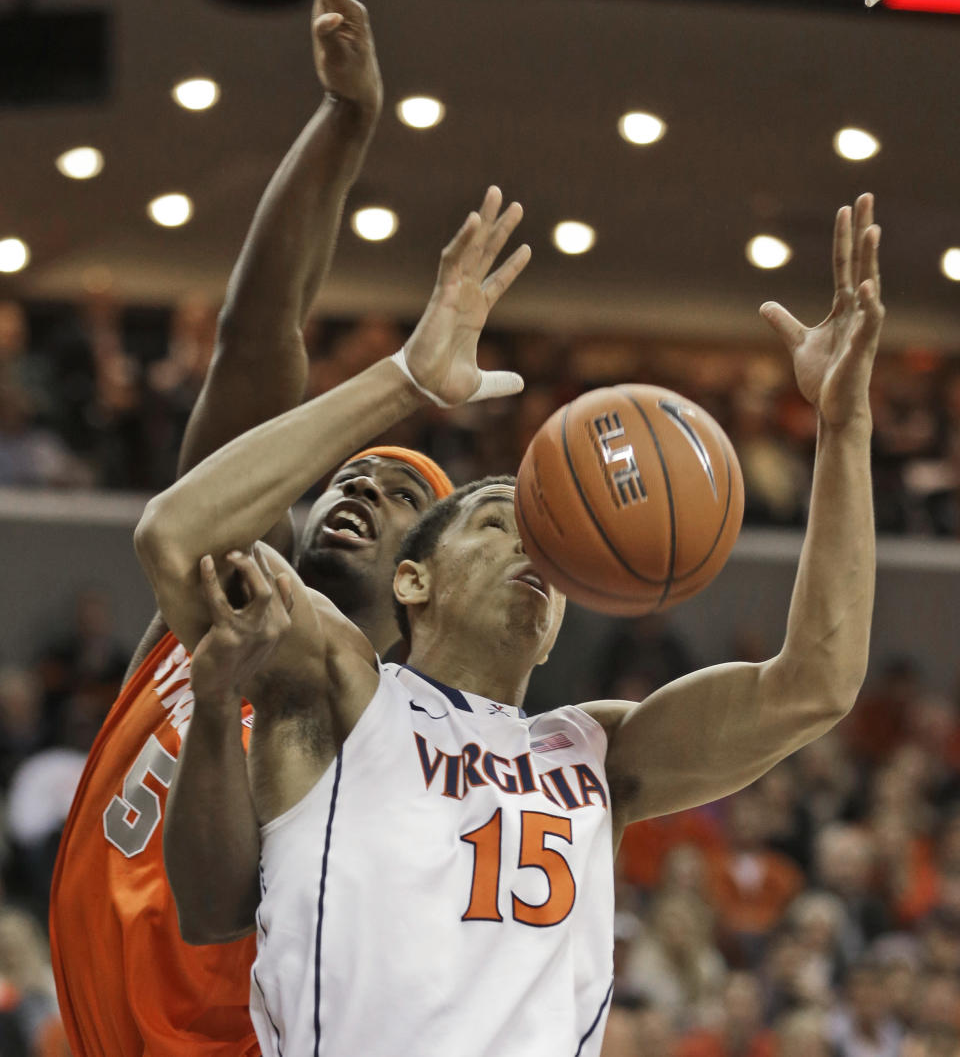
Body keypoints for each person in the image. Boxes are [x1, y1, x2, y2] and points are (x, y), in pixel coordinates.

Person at [147, 194, 884, 1055]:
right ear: (413, 581)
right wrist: (407, 379)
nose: (533, 553)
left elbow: (816, 684)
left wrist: (844, 427)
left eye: (551, 547)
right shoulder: (338, 689)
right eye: (502, 525)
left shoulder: (599, 751)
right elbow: (176, 535)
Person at [47, 0, 466, 1054]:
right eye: (352, 475)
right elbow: (258, 335)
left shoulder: (379, 730)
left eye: (395, 496)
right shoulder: (208, 608)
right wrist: (344, 124)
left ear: (418, 588)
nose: (358, 491)